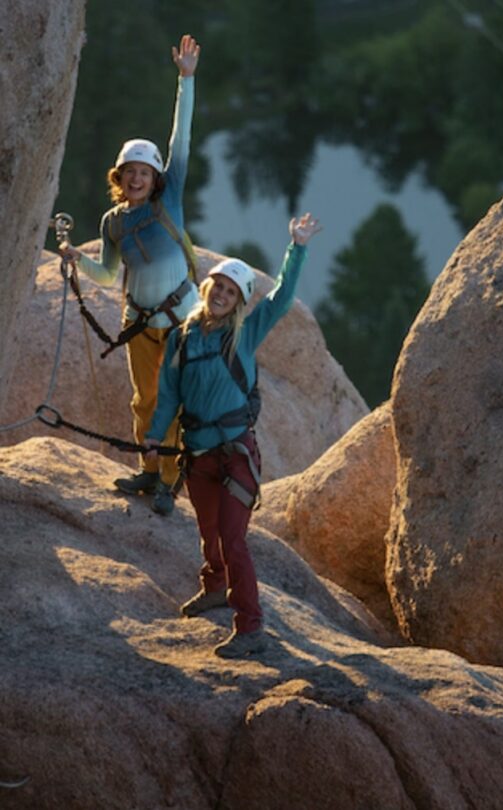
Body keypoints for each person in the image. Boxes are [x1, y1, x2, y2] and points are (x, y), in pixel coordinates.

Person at [144, 213, 322, 659]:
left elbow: (280, 299)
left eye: (231, 291)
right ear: (207, 289)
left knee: (234, 539)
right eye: (218, 287)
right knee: (209, 532)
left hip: (235, 453)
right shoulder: (183, 339)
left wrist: (296, 248)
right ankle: (216, 587)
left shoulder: (243, 333)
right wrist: (152, 436)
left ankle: (250, 626)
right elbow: (167, 394)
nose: (222, 294)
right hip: (199, 453)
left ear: (240, 301)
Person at [59, 34, 201, 517]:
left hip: (180, 319)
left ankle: (167, 481)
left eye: (143, 172)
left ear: (156, 176)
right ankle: (149, 469)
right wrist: (80, 264)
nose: (136, 178)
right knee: (145, 401)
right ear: (118, 179)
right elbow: (108, 274)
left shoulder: (170, 202)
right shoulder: (113, 222)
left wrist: (186, 79)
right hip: (140, 322)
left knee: (172, 403)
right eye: (128, 173)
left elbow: (180, 139)